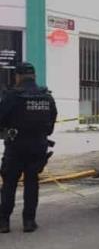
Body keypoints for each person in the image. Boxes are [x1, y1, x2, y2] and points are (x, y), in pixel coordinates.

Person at [0, 62, 57, 233]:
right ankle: (29, 222)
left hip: (16, 145)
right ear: (34, 77)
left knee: (9, 183)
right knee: (32, 183)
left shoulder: (12, 96)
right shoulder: (46, 96)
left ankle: (3, 222)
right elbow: (51, 123)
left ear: (17, 77)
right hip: (38, 146)